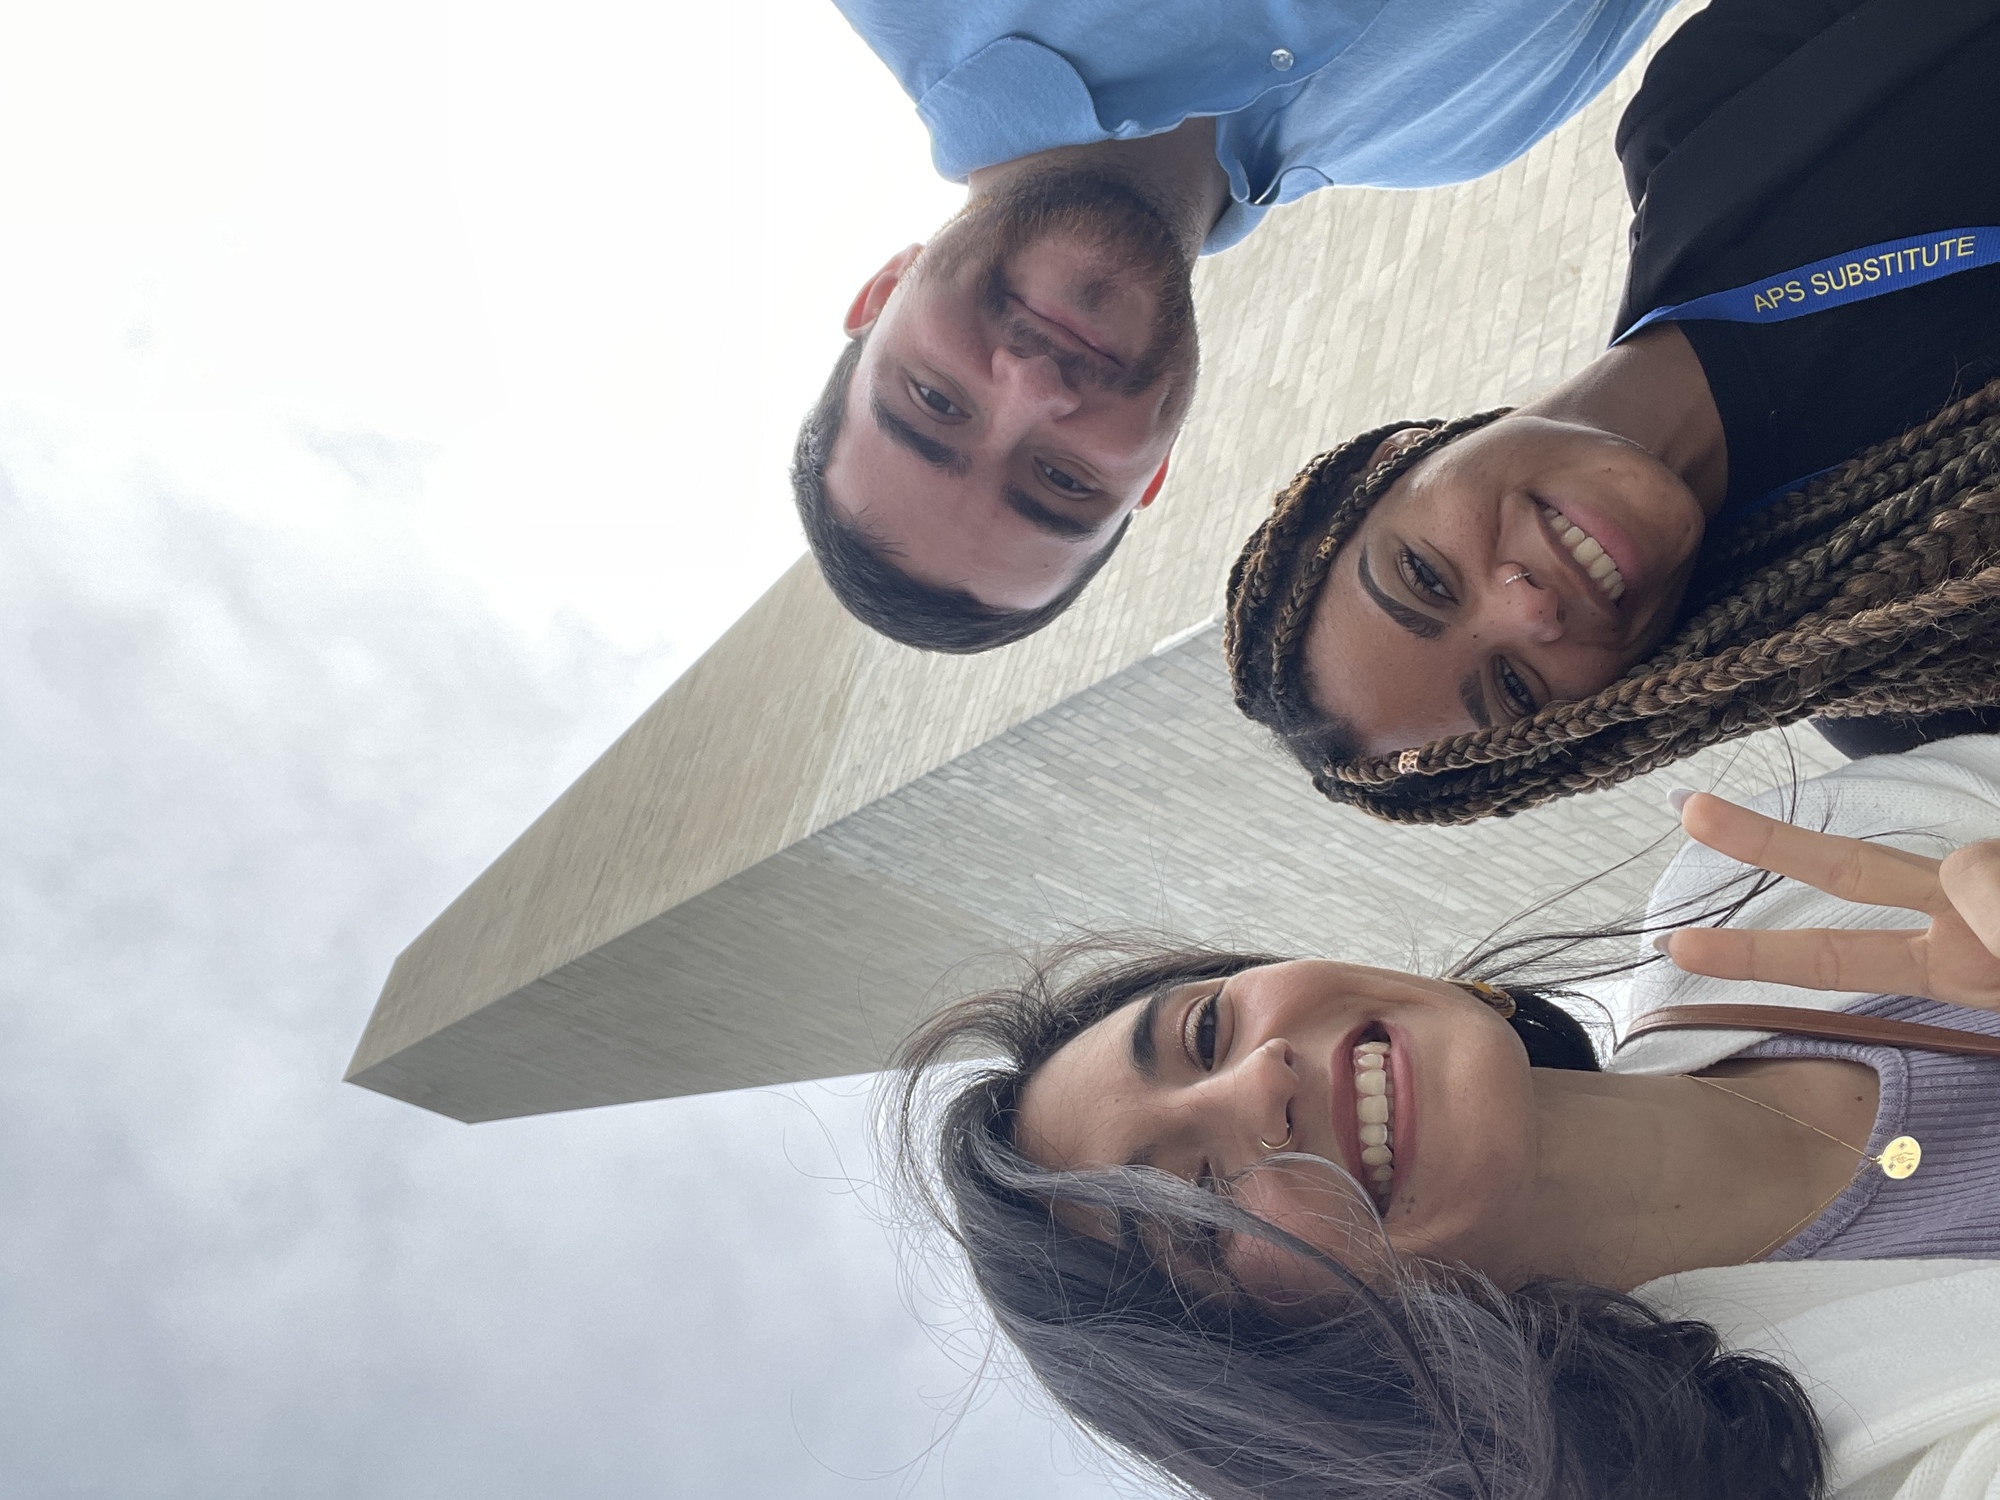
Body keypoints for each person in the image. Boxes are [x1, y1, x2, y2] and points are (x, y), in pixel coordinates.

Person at [890, 733, 2000, 1500]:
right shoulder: (1863, 1470)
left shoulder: (1781, 859)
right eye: (1195, 1208)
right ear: (1332, 1365)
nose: (1257, 1081)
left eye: (1202, 1033)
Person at [1225, 0, 2000, 824]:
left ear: (1395, 460)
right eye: (1516, 686)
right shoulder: (1934, 666)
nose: (1529, 608)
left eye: (1426, 576)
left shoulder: (1706, 111)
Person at [795, 0, 1682, 653]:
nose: (1032, 388)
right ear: (1153, 470)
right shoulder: (1466, 130)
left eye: (933, 399)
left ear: (881, 293)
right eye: (1062, 480)